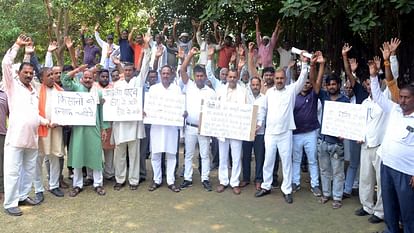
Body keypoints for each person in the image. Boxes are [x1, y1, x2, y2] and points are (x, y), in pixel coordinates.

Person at [2, 35, 51, 216]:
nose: (29, 75)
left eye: (31, 73)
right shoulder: (12, 86)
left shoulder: (34, 90)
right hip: (16, 138)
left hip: (32, 138)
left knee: (28, 171)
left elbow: (34, 115)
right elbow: (6, 64)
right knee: (12, 171)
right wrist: (17, 46)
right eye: (26, 73)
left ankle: (23, 196)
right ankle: (10, 203)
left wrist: (46, 122)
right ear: (19, 73)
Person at [255, 52, 309, 204]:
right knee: (268, 160)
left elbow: (302, 80)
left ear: (285, 79)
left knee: (286, 162)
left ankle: (287, 190)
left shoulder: (292, 90)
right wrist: (259, 123)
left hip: (286, 133)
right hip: (270, 133)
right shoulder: (268, 93)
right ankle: (266, 186)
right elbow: (263, 110)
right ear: (273, 79)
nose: (278, 81)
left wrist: (304, 64)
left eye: (281, 78)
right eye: (276, 78)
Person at [368, 53, 414, 232]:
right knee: (389, 205)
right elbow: (379, 96)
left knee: (408, 210)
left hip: (406, 172)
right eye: (400, 97)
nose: (401, 100)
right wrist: (373, 76)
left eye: (406, 98)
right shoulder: (394, 109)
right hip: (386, 166)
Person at [61, 65, 109, 197]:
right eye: (85, 77)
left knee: (96, 155)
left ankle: (98, 184)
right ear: (82, 78)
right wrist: (77, 70)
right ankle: (77, 185)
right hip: (79, 130)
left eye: (90, 77)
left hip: (94, 128)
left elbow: (101, 112)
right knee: (77, 155)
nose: (88, 80)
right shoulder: (76, 88)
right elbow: (64, 79)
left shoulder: (98, 92)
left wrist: (104, 128)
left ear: (94, 78)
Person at [112, 36, 150, 191]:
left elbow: (146, 66)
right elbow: (112, 104)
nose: (127, 72)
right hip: (120, 125)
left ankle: (134, 180)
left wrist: (146, 48)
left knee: (134, 155)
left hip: (134, 125)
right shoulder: (117, 85)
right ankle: (120, 179)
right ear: (122, 71)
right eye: (125, 70)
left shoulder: (137, 82)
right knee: (119, 154)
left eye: (130, 70)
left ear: (134, 71)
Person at [179, 48, 216, 191]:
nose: (200, 78)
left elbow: (215, 111)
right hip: (190, 126)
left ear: (206, 76)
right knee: (188, 154)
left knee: (205, 154)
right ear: (194, 76)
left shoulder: (211, 92)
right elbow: (182, 70)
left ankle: (205, 178)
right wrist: (190, 55)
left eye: (202, 75)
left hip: (204, 128)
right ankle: (187, 178)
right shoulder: (189, 86)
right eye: (197, 75)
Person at [291, 51, 324, 197]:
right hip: (296, 133)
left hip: (311, 132)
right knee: (296, 160)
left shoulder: (314, 94)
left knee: (312, 160)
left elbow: (316, 78)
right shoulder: (293, 95)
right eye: (303, 82)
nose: (306, 84)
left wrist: (314, 65)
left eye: (308, 82)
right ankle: (295, 182)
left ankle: (315, 185)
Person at [147, 65, 182, 193]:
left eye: (168, 73)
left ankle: (170, 181)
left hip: (171, 127)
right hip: (157, 127)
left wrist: (183, 113)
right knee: (155, 154)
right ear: (160, 75)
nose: (166, 75)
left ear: (171, 74)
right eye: (163, 73)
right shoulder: (153, 89)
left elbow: (181, 107)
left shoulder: (177, 90)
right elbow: (149, 107)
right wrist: (146, 113)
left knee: (171, 154)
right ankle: (157, 180)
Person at [318, 74, 349, 209]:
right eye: (329, 84)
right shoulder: (323, 96)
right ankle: (326, 194)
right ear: (326, 86)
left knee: (338, 172)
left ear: (338, 85)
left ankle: (337, 197)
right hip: (323, 140)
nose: (331, 87)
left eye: (334, 84)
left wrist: (345, 133)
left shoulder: (345, 100)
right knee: (324, 170)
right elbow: (315, 82)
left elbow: (350, 121)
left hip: (337, 143)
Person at [33, 67, 65, 201]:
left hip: (56, 129)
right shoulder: (37, 88)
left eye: (53, 74)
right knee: (38, 159)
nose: (52, 77)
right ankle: (38, 189)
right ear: (42, 79)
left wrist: (62, 121)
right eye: (49, 75)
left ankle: (54, 185)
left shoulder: (61, 91)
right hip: (41, 128)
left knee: (54, 157)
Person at [215, 68, 248, 195]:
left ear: (237, 77)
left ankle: (234, 182)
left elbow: (246, 110)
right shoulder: (220, 90)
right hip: (223, 128)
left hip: (236, 128)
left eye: (235, 77)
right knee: (223, 157)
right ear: (227, 78)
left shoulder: (243, 91)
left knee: (236, 157)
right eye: (230, 77)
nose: (232, 79)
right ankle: (223, 181)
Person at [240, 76, 266, 191]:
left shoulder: (264, 98)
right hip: (246, 132)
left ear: (260, 86)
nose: (255, 87)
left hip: (260, 133)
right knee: (246, 156)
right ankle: (246, 178)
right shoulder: (245, 97)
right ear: (250, 86)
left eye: (257, 85)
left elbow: (264, 115)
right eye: (253, 85)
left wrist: (257, 128)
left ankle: (259, 180)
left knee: (259, 156)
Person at [94, 69, 115, 182]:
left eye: (107, 77)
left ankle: (109, 173)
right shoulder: (93, 87)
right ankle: (93, 175)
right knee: (95, 150)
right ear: (98, 77)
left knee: (109, 150)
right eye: (103, 76)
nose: (105, 79)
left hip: (109, 123)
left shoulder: (113, 88)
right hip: (95, 124)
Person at [0, 85, 8, 203]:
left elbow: (11, 114)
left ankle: (1, 190)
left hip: (1, 133)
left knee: (1, 163)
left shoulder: (4, 94)